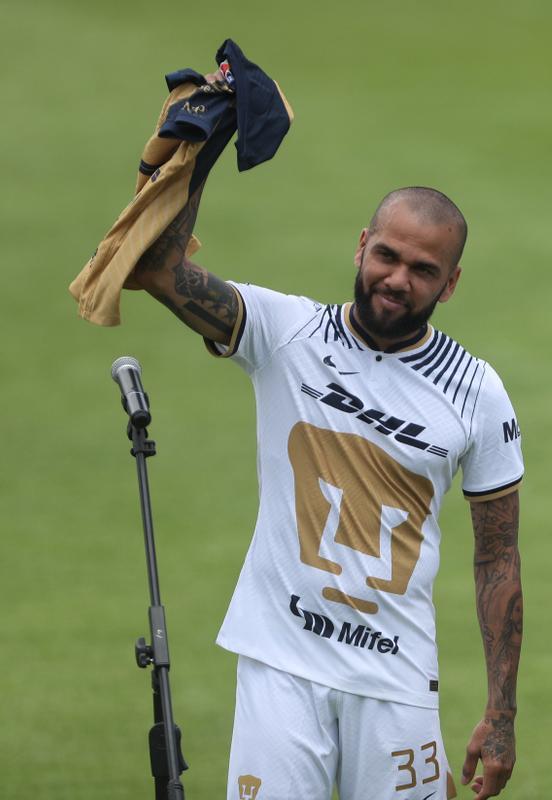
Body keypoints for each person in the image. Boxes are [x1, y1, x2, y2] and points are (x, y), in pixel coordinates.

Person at [127, 159, 524, 798]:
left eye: (424, 271)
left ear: (450, 285)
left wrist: (501, 715)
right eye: (387, 256)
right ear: (361, 245)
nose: (398, 280)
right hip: (281, 664)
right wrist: (194, 158)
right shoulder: (288, 331)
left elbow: (499, 557)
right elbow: (155, 270)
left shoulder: (477, 392)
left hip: (396, 680)